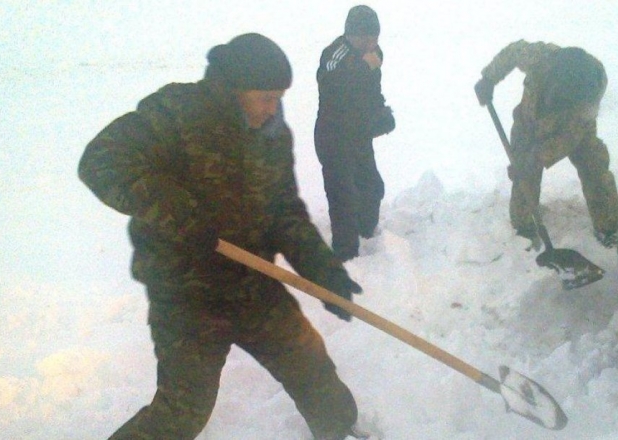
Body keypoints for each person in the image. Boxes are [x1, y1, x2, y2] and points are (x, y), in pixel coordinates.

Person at [78, 33, 365, 440]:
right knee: (183, 410)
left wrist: (322, 269)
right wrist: (177, 212)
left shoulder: (270, 133)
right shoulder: (176, 114)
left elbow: (283, 210)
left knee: (312, 367)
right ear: (233, 90)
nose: (273, 108)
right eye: (265, 97)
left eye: (279, 97)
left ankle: (342, 432)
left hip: (252, 283)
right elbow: (100, 162)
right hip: (186, 293)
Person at [474, 40, 618, 247]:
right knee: (524, 170)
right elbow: (514, 51)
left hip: (574, 127)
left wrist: (537, 156)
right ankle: (523, 226)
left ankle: (608, 227)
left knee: (593, 163)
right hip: (528, 122)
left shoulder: (590, 89)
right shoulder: (541, 57)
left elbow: (564, 141)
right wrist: (489, 78)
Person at [315, 5, 395, 261]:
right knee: (343, 197)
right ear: (350, 35)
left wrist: (381, 113)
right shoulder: (335, 54)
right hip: (333, 136)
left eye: (375, 37)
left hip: (359, 136)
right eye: (365, 38)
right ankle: (345, 256)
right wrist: (363, 67)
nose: (371, 43)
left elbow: (371, 91)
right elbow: (333, 87)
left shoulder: (373, 54)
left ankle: (367, 237)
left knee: (372, 187)